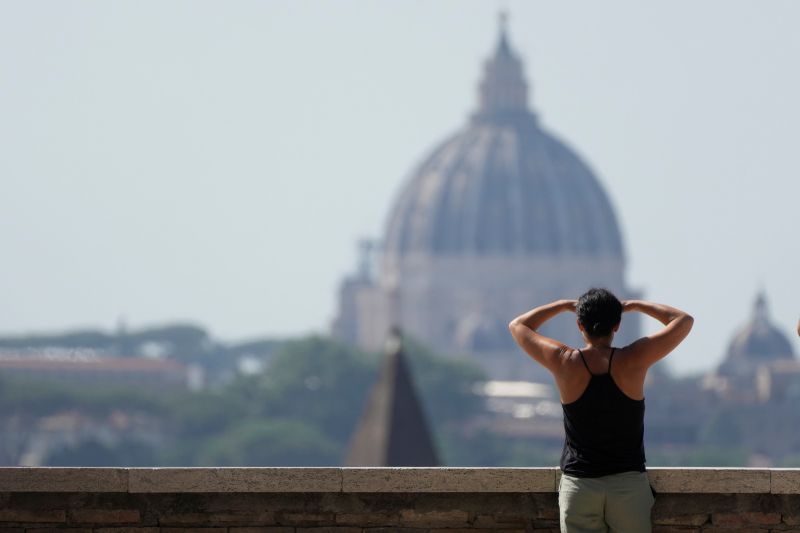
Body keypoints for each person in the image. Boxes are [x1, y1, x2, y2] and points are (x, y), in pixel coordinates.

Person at [508, 288, 693, 533]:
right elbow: (683, 321)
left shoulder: (565, 361)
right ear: (616, 325)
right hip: (627, 484)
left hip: (580, 485)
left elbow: (518, 325)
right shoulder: (634, 359)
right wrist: (635, 305)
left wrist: (562, 304)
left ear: (579, 325)